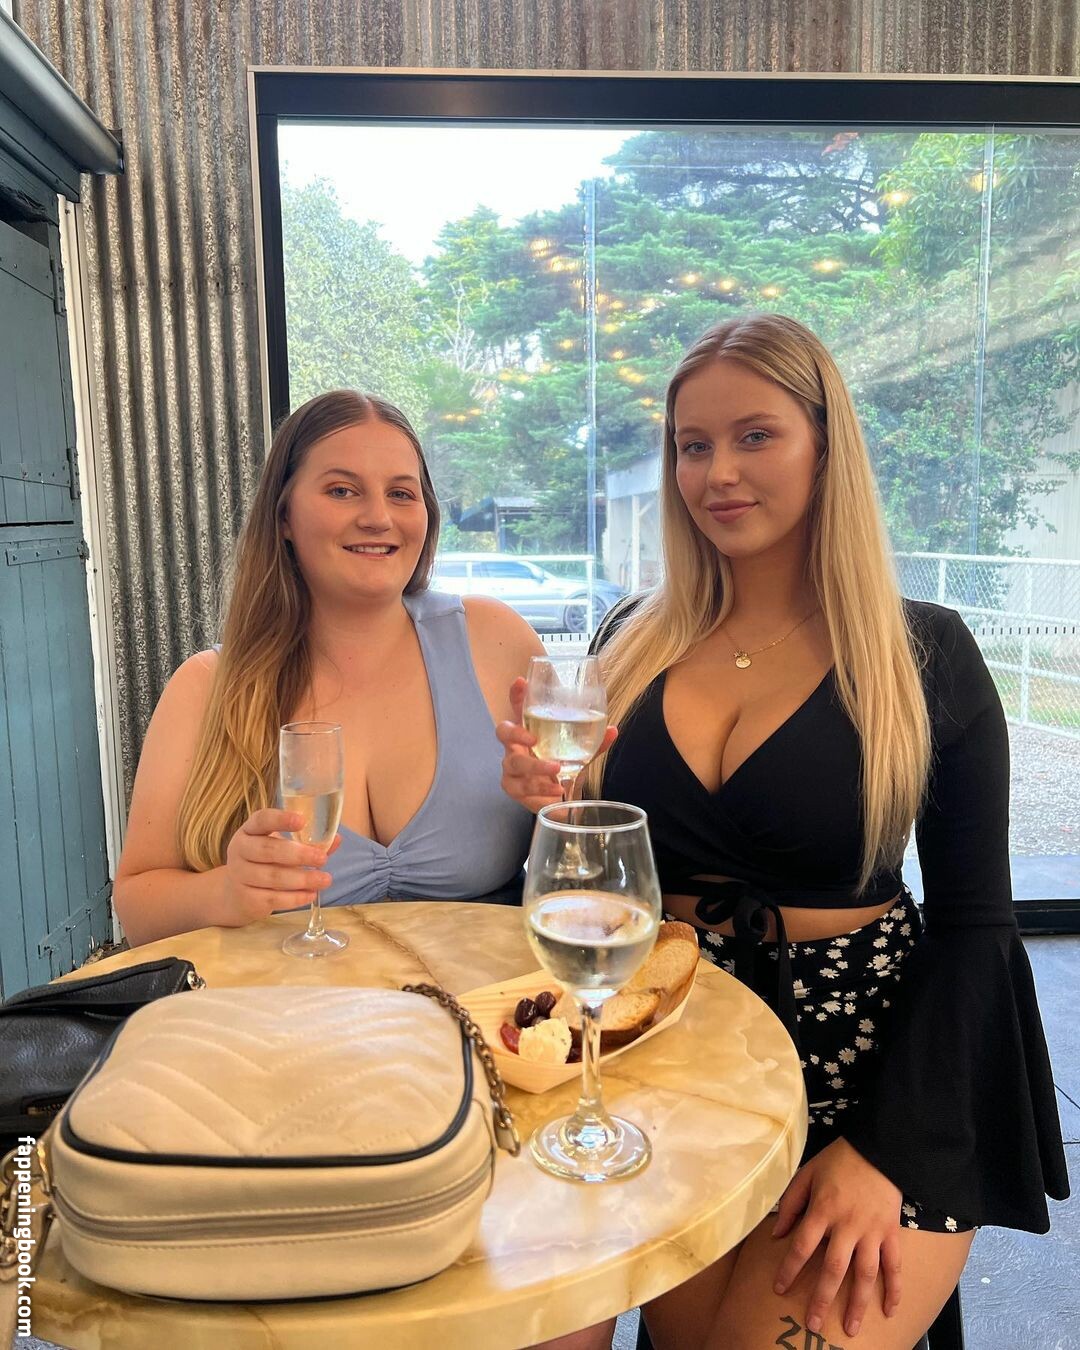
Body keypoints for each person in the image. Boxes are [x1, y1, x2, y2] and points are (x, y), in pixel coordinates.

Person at [498, 314, 1068, 1349]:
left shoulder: (923, 652)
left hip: (872, 1073)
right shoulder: (630, 638)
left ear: (825, 443)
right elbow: (594, 872)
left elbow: (977, 927)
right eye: (693, 445)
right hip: (665, 1064)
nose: (717, 472)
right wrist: (548, 812)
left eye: (754, 435)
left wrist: (886, 1149)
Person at [114, 390, 541, 945]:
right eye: (342, 490)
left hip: (495, 998)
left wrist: (560, 805)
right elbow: (137, 909)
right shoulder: (207, 687)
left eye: (401, 493)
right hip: (286, 1001)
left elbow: (586, 863)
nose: (378, 517)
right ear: (284, 517)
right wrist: (224, 892)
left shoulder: (496, 640)